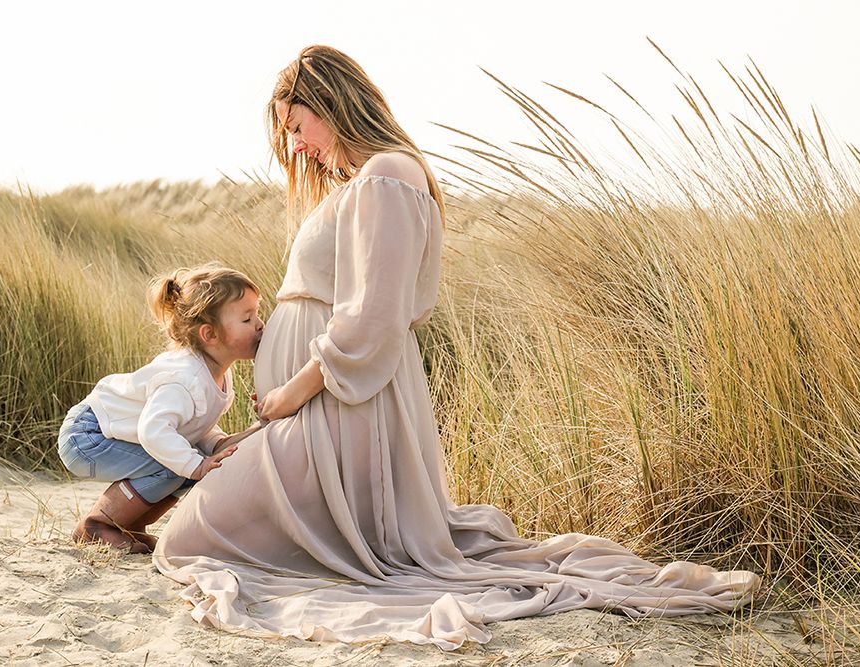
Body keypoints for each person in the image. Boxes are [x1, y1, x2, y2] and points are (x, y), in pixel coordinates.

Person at [153, 45, 760, 649]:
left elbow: (374, 318)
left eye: (298, 124)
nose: (296, 143)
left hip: (336, 410)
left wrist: (289, 391)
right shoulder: (367, 182)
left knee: (190, 536)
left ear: (331, 103)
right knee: (195, 532)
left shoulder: (387, 176)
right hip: (323, 410)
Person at [58, 264, 265, 554]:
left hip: (113, 434)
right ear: (210, 335)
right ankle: (96, 525)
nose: (259, 324)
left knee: (188, 464)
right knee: (177, 466)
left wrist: (250, 431)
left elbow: (198, 429)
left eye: (257, 314)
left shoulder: (215, 373)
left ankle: (128, 525)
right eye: (247, 318)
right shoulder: (184, 377)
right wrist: (197, 465)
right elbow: (153, 431)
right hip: (89, 434)